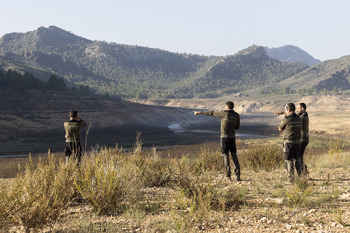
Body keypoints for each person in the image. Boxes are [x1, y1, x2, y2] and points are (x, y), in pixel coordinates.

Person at [193, 101, 241, 181]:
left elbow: (212, 113)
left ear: (228, 107)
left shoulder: (224, 113)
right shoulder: (236, 115)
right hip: (232, 138)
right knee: (234, 156)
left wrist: (199, 112)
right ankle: (238, 175)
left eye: (225, 107)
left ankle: (228, 176)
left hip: (224, 138)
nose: (224, 108)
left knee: (226, 156)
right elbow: (237, 127)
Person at [278, 103, 302, 183]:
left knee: (289, 161)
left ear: (288, 110)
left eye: (285, 109)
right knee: (297, 159)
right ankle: (301, 176)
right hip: (298, 142)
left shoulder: (287, 119)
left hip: (289, 142)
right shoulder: (299, 118)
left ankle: (291, 179)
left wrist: (283, 118)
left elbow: (280, 128)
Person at [296, 103, 309, 176]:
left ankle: (303, 172)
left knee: (298, 157)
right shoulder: (304, 115)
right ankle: (304, 171)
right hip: (304, 139)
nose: (297, 110)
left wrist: (287, 114)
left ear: (303, 109)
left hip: (302, 139)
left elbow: (294, 118)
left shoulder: (303, 117)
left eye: (298, 108)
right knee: (299, 156)